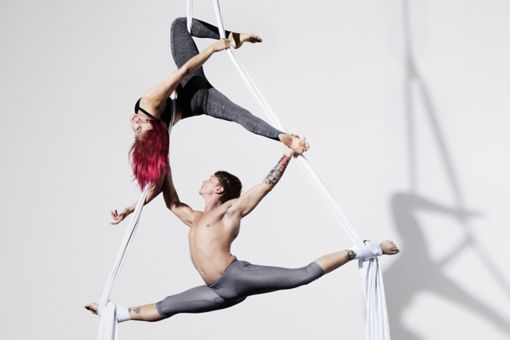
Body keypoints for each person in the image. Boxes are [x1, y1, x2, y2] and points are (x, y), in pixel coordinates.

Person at [86, 145, 399, 321]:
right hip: (217, 291)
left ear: (219, 189)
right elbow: (171, 202)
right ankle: (115, 314)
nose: (204, 180)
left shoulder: (229, 210)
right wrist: (163, 165)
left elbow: (265, 185)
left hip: (236, 276)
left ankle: (364, 249)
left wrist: (288, 154)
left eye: (209, 178)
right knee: (167, 306)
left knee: (300, 275)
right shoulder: (194, 217)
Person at [119, 17, 308, 224]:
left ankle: (279, 135)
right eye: (142, 124)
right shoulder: (151, 105)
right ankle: (280, 135)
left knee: (182, 26)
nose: (135, 121)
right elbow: (184, 71)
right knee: (239, 114)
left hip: (195, 91)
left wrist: (131, 208)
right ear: (156, 129)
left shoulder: (150, 127)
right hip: (199, 91)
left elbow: (182, 71)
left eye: (136, 128)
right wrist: (213, 48)